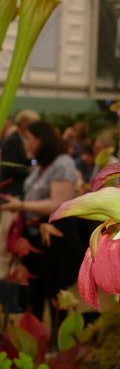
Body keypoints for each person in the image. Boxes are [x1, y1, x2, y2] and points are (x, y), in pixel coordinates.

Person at [0, 121, 83, 331]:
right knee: (36, 291)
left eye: (28, 138)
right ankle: (35, 340)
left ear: (41, 139)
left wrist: (21, 205)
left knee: (55, 293)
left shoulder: (62, 163)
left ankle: (57, 345)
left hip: (57, 238)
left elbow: (58, 204)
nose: (25, 143)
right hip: (36, 235)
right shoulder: (42, 164)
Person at [0, 110, 40, 279]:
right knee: (6, 239)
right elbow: (7, 167)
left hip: (16, 196)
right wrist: (30, 171)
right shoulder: (12, 141)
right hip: (11, 197)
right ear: (24, 125)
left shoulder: (19, 140)